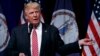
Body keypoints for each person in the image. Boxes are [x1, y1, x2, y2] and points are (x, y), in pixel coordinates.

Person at [6, 2, 93, 56]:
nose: (35, 15)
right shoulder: (17, 31)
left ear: (40, 13)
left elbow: (61, 49)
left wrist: (79, 43)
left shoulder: (51, 30)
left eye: (37, 12)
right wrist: (18, 54)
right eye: (31, 13)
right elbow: (9, 50)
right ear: (26, 16)